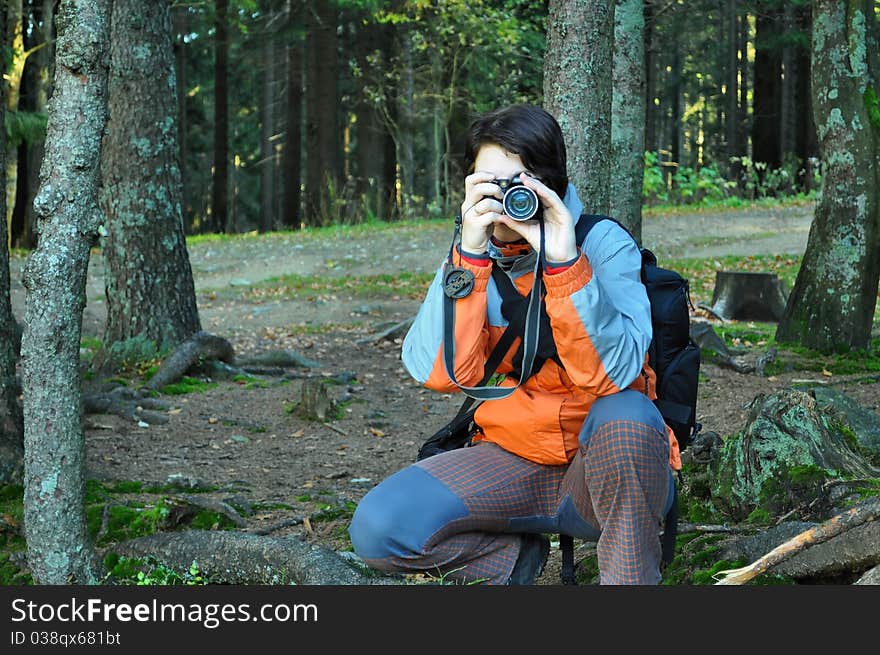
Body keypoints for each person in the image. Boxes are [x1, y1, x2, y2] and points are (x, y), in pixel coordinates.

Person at [348, 104, 680, 585]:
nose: (505, 199)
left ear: (551, 184)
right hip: (509, 458)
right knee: (381, 529)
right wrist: (470, 258)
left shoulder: (602, 244)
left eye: (518, 183)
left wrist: (565, 261)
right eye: (489, 183)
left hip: (602, 464)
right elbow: (441, 374)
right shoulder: (470, 257)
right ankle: (512, 562)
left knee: (626, 419)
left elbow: (613, 376)